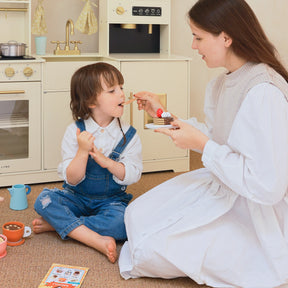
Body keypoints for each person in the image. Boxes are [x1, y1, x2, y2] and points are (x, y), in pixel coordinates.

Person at [118, 0, 288, 287]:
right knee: (136, 215)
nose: (193, 46)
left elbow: (267, 186)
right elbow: (214, 136)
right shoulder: (221, 84)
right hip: (225, 182)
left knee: (153, 250)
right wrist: (161, 115)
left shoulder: (264, 92)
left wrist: (205, 147)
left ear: (226, 37)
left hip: (256, 203)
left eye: (198, 37)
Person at [33, 62, 142, 263]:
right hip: (76, 196)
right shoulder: (74, 131)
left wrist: (108, 162)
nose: (121, 94)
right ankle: (93, 238)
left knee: (123, 224)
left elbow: (134, 174)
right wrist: (82, 152)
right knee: (44, 201)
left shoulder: (129, 135)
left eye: (121, 87)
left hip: (111, 200)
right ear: (91, 102)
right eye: (112, 90)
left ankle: (61, 225)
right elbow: (72, 179)